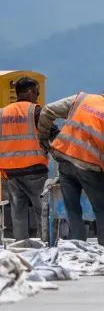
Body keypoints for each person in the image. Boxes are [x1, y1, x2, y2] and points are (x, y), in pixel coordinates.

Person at [38, 83, 104, 250]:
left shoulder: (81, 99)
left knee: (73, 209)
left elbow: (47, 110)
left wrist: (43, 138)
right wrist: (101, 172)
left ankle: (77, 247)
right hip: (89, 165)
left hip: (64, 159)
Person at [0, 77, 48, 240]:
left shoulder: (2, 113)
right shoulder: (35, 111)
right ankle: (46, 243)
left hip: (10, 171)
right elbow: (51, 134)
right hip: (34, 169)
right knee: (42, 209)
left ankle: (21, 246)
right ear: (29, 92)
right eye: (36, 92)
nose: (37, 96)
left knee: (17, 210)